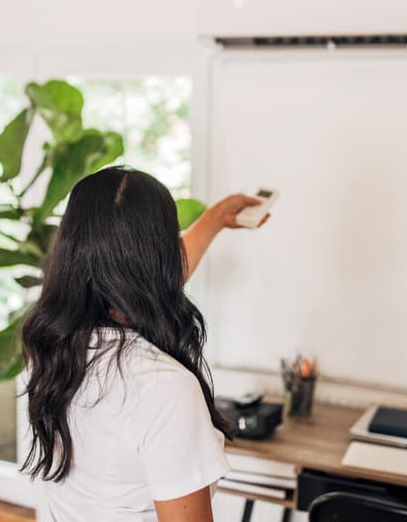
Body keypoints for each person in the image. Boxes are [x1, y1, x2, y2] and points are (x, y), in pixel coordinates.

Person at [22, 166, 268, 522]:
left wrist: (214, 220)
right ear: (161, 258)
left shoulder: (51, 352)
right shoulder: (164, 388)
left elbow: (130, 276)